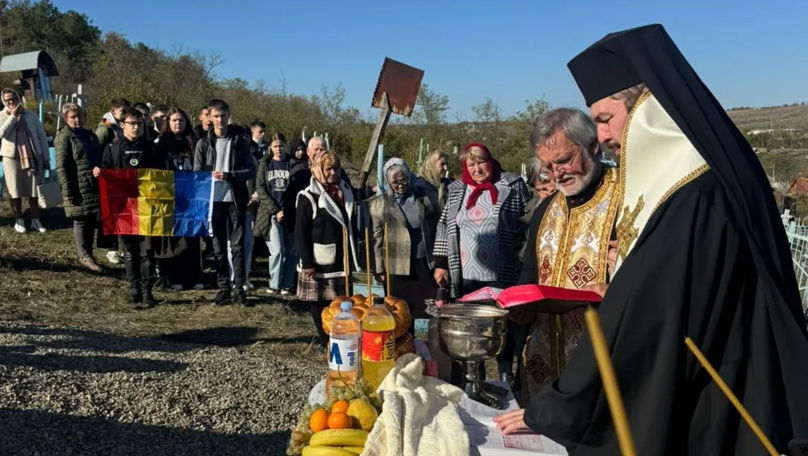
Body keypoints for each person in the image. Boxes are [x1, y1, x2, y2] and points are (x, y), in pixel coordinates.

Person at [495, 24, 808, 456]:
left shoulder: (695, 195)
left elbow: (644, 320)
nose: (601, 135)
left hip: (717, 399)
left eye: (605, 119)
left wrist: (558, 407)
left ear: (647, 105)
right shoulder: (696, 180)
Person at [515, 108, 620, 402]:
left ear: (593, 147)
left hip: (602, 361)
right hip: (543, 365)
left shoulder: (627, 198)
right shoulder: (546, 210)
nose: (557, 173)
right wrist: (520, 308)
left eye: (563, 160)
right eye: (548, 166)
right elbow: (529, 272)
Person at [433, 142, 530, 382]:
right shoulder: (457, 189)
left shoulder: (512, 185)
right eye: (471, 164)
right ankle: (474, 379)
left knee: (502, 327)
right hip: (465, 274)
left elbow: (527, 223)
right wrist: (441, 262)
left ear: (491, 160)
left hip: (503, 272)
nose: (477, 169)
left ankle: (506, 377)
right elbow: (444, 226)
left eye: (481, 162)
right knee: (471, 331)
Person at [93, 107, 162, 308]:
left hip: (147, 206)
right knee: (130, 250)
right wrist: (99, 173)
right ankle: (133, 287)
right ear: (122, 125)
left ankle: (148, 291)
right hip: (123, 208)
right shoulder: (112, 149)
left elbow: (163, 176)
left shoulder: (152, 149)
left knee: (147, 250)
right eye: (132, 124)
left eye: (139, 124)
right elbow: (104, 175)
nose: (136, 127)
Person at [193, 99, 256, 306]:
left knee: (237, 247)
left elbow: (251, 170)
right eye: (216, 116)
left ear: (229, 116)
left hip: (236, 199)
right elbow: (196, 174)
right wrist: (207, 177)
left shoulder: (239, 142)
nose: (220, 120)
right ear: (209, 118)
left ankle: (239, 287)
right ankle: (223, 289)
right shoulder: (203, 143)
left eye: (223, 115)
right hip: (214, 202)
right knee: (218, 248)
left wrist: (230, 176)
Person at [294, 150, 360, 346]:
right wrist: (307, 262)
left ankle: (340, 337)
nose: (333, 172)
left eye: (336, 168)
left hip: (342, 257)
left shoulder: (344, 190)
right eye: (328, 168)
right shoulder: (308, 196)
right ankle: (325, 341)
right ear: (319, 170)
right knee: (320, 303)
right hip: (320, 259)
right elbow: (300, 232)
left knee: (341, 302)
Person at [369, 157, 440, 326]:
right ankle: (405, 345)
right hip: (397, 266)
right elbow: (377, 238)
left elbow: (437, 224)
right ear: (387, 182)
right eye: (395, 182)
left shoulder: (424, 197)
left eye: (404, 179)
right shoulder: (379, 204)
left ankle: (431, 347)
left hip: (424, 262)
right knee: (400, 312)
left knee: (431, 308)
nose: (401, 185)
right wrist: (379, 268)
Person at [153, 107, 203, 291]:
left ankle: (195, 277)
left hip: (191, 197)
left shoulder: (193, 142)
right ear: (168, 122)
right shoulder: (161, 143)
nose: (178, 124)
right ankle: (175, 278)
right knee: (175, 239)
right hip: (170, 196)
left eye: (181, 120)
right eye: (174, 120)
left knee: (193, 237)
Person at [54, 103, 104, 271]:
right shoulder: (64, 137)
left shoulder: (90, 135)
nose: (77, 119)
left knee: (90, 218)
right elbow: (61, 166)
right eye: (72, 117)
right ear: (66, 119)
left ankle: (89, 253)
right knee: (80, 220)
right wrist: (67, 191)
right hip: (77, 184)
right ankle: (84, 255)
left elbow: (98, 156)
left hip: (92, 182)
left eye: (79, 116)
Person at [0, 88, 50, 234]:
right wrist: (13, 116)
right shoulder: (2, 115)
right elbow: (2, 133)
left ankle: (35, 220)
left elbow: (41, 136)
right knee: (15, 190)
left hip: (33, 156)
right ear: (4, 101)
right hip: (12, 157)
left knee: (33, 190)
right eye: (8, 99)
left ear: (18, 98)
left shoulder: (30, 115)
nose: (11, 102)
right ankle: (19, 220)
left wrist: (46, 157)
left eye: (13, 98)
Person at [255, 134, 296, 295]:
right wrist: (276, 210)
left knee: (292, 250)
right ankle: (274, 284)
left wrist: (286, 210)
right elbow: (261, 188)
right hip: (270, 214)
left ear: (285, 146)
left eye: (280, 145)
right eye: (275, 146)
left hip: (290, 213)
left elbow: (294, 189)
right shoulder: (265, 164)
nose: (278, 149)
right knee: (277, 250)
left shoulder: (291, 164)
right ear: (270, 148)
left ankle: (287, 284)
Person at [95, 97, 130, 265]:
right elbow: (98, 150)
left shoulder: (120, 127)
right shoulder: (105, 128)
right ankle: (111, 249)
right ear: (114, 111)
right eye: (122, 112)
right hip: (109, 175)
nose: (124, 115)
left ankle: (120, 247)